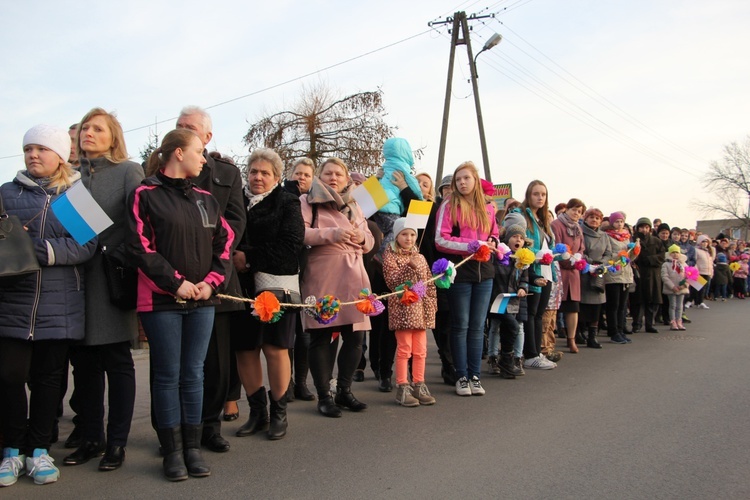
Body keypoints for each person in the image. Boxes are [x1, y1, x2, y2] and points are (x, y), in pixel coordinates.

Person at [128, 128, 233, 481]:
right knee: (168, 375)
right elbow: (140, 247)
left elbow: (225, 245)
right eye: (199, 152)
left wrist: (209, 283)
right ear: (177, 153)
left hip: (202, 300)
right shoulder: (144, 194)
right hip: (160, 301)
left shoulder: (206, 199)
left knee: (194, 374)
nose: (204, 159)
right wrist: (176, 283)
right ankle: (171, 452)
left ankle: (192, 448)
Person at [0, 125, 97, 487]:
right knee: (9, 377)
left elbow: (87, 248)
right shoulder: (7, 193)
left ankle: (39, 451)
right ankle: (12, 451)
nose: (33, 155)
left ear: (60, 155)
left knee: (48, 381)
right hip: (12, 302)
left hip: (60, 305)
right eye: (28, 149)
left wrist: (37, 249)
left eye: (42, 149)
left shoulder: (74, 196)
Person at [65, 108, 143, 471]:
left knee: (117, 361)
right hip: (75, 280)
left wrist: (117, 253)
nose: (88, 133)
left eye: (98, 128)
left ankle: (116, 443)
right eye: (85, 128)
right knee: (84, 365)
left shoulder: (128, 171)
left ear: (113, 136)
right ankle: (90, 437)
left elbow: (138, 223)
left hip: (113, 279)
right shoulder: (67, 178)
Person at [174, 106, 245, 454]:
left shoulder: (227, 173)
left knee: (215, 363)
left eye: (191, 127)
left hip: (216, 280)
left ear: (207, 137)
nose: (184, 131)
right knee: (175, 364)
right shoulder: (160, 173)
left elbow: (235, 222)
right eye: (179, 126)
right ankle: (175, 432)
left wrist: (210, 264)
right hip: (171, 282)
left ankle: (210, 426)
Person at [232, 148, 304, 440]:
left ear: (276, 176)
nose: (258, 177)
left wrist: (248, 259)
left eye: (265, 173)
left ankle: (279, 412)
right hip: (240, 289)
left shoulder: (287, 202)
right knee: (245, 349)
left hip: (275, 286)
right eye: (253, 171)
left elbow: (291, 246)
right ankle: (257, 413)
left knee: (275, 349)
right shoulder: (235, 200)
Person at [299, 158, 374, 417]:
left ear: (346, 179)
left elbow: (370, 240)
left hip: (355, 275)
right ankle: (324, 396)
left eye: (338, 174)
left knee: (355, 337)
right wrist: (331, 234)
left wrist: (362, 237)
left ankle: (345, 390)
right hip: (324, 274)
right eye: (328, 173)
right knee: (322, 335)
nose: (333, 178)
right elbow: (301, 233)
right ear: (319, 176)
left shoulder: (356, 204)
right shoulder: (307, 201)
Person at [435, 161, 499, 396]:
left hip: (486, 272)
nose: (462, 183)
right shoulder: (449, 204)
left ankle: (475, 376)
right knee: (460, 325)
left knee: (477, 326)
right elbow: (440, 239)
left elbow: (494, 233)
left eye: (466, 178)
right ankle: (460, 375)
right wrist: (470, 246)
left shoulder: (489, 207)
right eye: (458, 179)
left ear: (475, 180)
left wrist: (493, 243)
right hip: (460, 272)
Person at [382, 218, 437, 407]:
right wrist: (409, 266)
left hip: (420, 310)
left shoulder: (420, 257)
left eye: (413, 234)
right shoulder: (390, 256)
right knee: (405, 349)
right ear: (397, 236)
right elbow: (393, 282)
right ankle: (402, 386)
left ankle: (419, 383)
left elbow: (428, 283)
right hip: (402, 309)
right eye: (404, 234)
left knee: (421, 350)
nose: (409, 238)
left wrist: (431, 304)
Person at [510, 181, 557, 369]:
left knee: (539, 314)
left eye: (543, 194)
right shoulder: (522, 216)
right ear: (528, 195)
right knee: (530, 313)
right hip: (531, 270)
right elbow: (522, 242)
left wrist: (555, 254)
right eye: (536, 194)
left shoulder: (544, 219)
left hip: (547, 270)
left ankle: (537, 352)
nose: (540, 198)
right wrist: (537, 255)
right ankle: (529, 355)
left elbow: (549, 245)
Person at [281, 157, 316, 401]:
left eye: (306, 174)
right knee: (286, 332)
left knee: (304, 333)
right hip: (284, 272)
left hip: (310, 273)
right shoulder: (282, 197)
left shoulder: (316, 203)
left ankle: (302, 382)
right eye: (298, 173)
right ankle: (287, 381)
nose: (301, 177)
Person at [486, 223, 529, 379]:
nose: (518, 240)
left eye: (521, 238)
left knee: (516, 327)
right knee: (495, 327)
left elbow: (525, 277)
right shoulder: (500, 255)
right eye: (514, 236)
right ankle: (493, 357)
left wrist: (524, 287)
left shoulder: (523, 258)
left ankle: (514, 358)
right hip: (497, 298)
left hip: (514, 300)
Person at [551, 198, 586, 354]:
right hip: (559, 270)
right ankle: (549, 339)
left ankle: (571, 339)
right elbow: (556, 246)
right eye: (574, 210)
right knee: (554, 308)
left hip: (573, 273)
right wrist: (567, 258)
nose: (576, 214)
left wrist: (578, 256)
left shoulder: (578, 228)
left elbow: (582, 248)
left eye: (579, 212)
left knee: (573, 307)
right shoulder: (556, 225)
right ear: (567, 209)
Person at [579, 208, 612, 349]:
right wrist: (591, 263)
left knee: (597, 307)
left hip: (599, 273)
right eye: (591, 217)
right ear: (585, 218)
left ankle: (593, 336)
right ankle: (580, 333)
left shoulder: (604, 236)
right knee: (583, 305)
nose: (594, 220)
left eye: (597, 218)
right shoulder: (581, 232)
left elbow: (608, 252)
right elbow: (580, 250)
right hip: (585, 271)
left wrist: (602, 264)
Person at [604, 212, 636, 344]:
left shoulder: (626, 237)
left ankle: (621, 329)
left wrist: (634, 252)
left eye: (621, 222)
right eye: (616, 222)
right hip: (613, 273)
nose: (619, 224)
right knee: (614, 304)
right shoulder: (608, 236)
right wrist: (619, 256)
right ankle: (613, 331)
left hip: (626, 274)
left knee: (622, 305)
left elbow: (629, 259)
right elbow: (607, 254)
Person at [630, 218, 664, 333]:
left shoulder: (656, 241)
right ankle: (637, 324)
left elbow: (662, 256)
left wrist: (650, 259)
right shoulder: (633, 240)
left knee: (652, 301)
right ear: (637, 228)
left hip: (653, 274)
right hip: (639, 273)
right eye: (641, 227)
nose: (644, 230)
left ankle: (650, 324)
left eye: (646, 227)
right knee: (638, 301)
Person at [661, 244, 689, 330]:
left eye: (677, 252)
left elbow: (689, 276)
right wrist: (672, 287)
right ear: (669, 254)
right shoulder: (666, 264)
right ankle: (673, 321)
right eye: (673, 252)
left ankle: (679, 321)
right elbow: (664, 277)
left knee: (680, 306)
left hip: (681, 288)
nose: (675, 254)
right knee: (672, 305)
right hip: (671, 289)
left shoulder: (684, 265)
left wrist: (684, 285)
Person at [692, 235, 714, 309]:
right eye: (703, 241)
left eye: (706, 242)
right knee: (697, 288)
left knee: (703, 288)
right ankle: (694, 301)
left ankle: (700, 302)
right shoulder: (696, 250)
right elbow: (695, 261)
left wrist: (711, 272)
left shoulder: (708, 252)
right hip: (699, 271)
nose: (705, 243)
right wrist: (696, 271)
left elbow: (710, 263)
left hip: (707, 272)